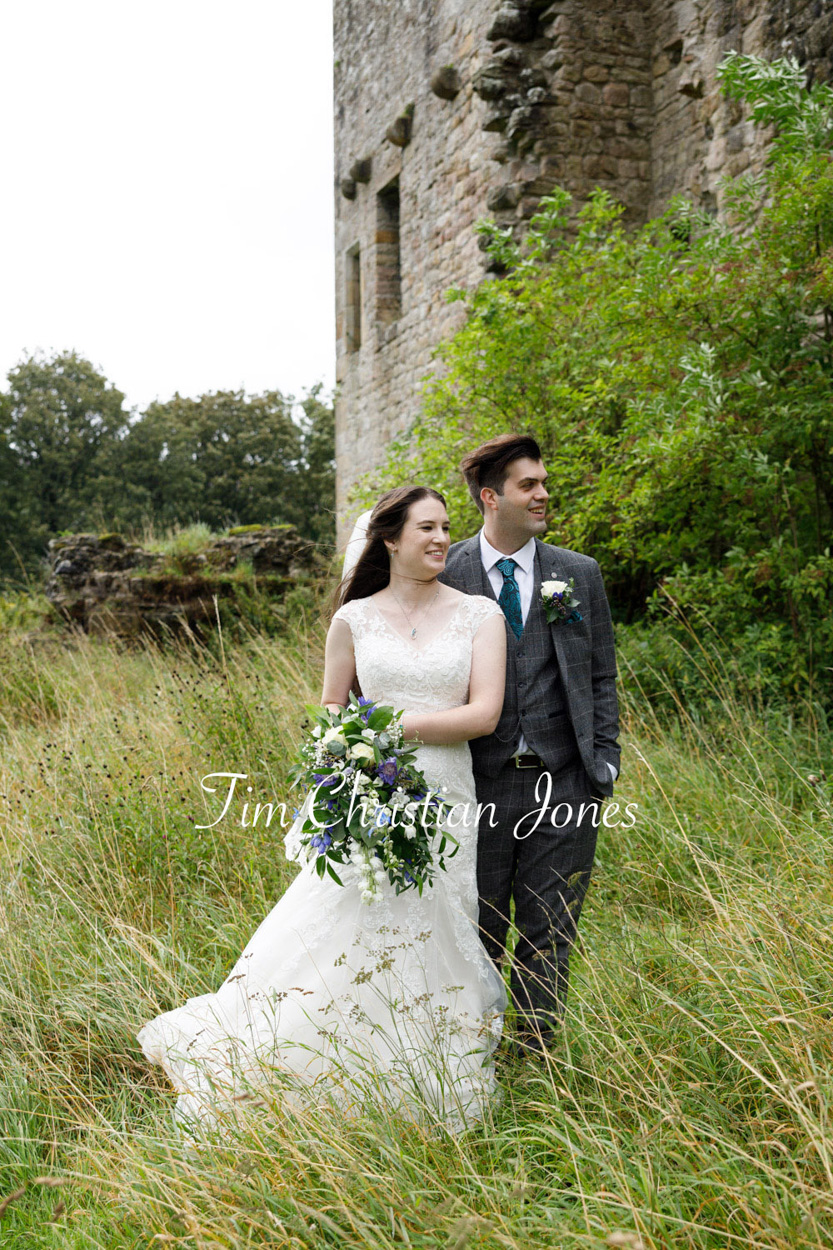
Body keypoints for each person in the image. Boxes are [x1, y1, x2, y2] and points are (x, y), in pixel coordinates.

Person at [137, 486, 508, 1136]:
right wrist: (352, 762)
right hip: (365, 791)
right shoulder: (354, 620)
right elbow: (330, 714)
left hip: (444, 795)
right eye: (426, 527)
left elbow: (483, 714)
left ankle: (423, 1080)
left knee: (436, 927)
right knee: (349, 924)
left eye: (446, 526)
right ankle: (314, 1064)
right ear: (389, 538)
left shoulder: (480, 614)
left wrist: (388, 728)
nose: (441, 537)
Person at [439, 433, 621, 1054]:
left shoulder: (578, 574)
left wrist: (604, 761)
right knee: (478, 926)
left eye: (543, 482)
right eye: (529, 485)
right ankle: (476, 1059)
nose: (544, 494)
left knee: (551, 929)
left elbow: (600, 673)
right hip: (474, 783)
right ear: (491, 498)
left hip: (566, 781)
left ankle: (535, 1058)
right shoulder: (447, 572)